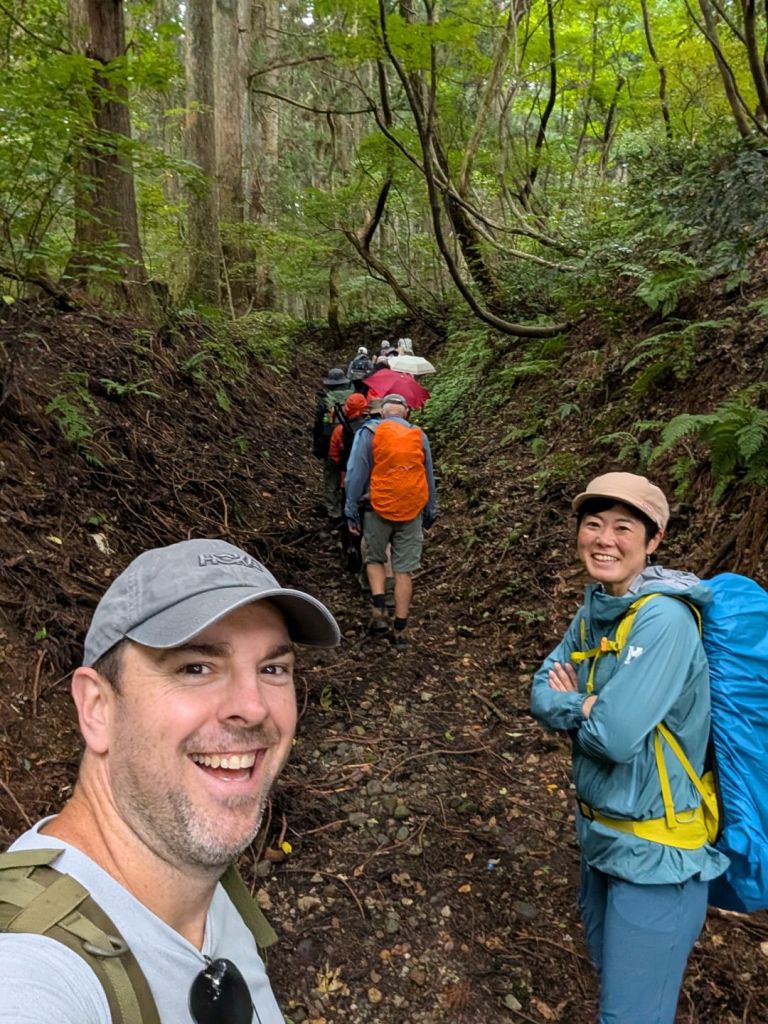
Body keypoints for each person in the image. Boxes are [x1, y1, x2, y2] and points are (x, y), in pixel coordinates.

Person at [0, 538, 340, 1023]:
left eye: (272, 668)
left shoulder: (195, 872)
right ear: (97, 709)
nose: (254, 707)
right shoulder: (29, 968)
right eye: (195, 668)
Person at [530, 473, 729, 1024]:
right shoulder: (598, 607)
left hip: (658, 858)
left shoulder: (665, 620)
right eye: (593, 524)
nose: (604, 539)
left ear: (653, 539)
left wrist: (579, 706)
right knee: (616, 992)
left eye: (623, 528)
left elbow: (615, 738)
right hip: (603, 839)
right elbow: (541, 690)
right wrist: (589, 707)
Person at [344, 394, 437, 649]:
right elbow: (428, 475)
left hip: (377, 507)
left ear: (382, 413)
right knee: (403, 570)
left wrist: (351, 510)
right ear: (406, 413)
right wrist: (430, 511)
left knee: (375, 559)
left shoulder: (368, 433)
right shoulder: (418, 435)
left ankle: (379, 609)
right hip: (411, 509)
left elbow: (355, 473)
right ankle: (401, 628)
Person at [311, 368, 353, 524]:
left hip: (330, 444)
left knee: (331, 476)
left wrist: (317, 447)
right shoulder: (354, 398)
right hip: (351, 443)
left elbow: (318, 427)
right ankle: (349, 508)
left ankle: (333, 512)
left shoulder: (325, 401)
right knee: (351, 475)